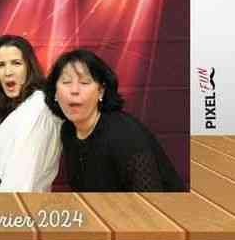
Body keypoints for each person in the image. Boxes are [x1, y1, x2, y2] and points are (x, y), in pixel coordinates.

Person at [44, 49, 185, 192]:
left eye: (85, 82)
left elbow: (150, 199)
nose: (74, 90)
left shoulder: (124, 134)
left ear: (101, 91)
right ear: (55, 92)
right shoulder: (68, 131)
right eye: (66, 82)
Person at [0, 35, 62, 192]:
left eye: (16, 63)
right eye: (0, 65)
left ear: (29, 67)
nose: (8, 72)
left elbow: (20, 181)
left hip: (7, 204)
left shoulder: (38, 107)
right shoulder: (15, 106)